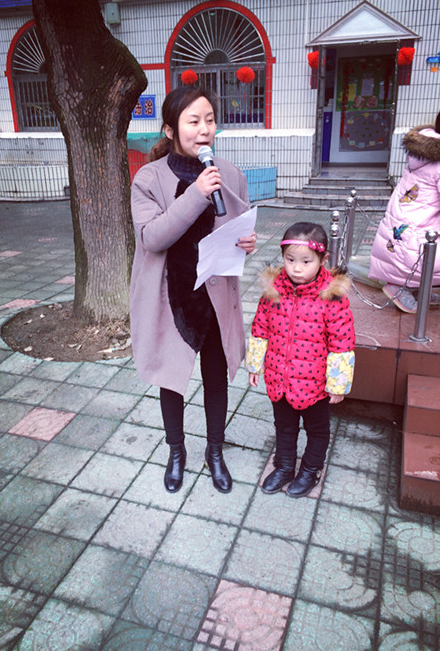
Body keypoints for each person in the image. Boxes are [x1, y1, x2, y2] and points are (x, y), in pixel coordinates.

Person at [129, 86, 255, 494]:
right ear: (170, 130)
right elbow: (152, 238)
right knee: (171, 379)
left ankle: (215, 451)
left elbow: (235, 229)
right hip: (172, 297)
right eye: (193, 121)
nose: (204, 129)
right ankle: (176, 451)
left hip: (215, 297)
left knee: (216, 378)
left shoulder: (230, 173)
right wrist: (197, 194)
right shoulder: (149, 178)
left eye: (210, 120)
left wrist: (246, 242)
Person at [246, 222, 355, 498]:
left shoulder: (331, 297)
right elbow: (260, 327)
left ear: (322, 259)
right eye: (290, 259)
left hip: (315, 384)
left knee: (317, 429)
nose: (296, 268)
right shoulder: (273, 290)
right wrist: (255, 364)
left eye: (306, 261)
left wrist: (338, 384)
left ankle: (310, 469)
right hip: (279, 378)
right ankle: (284, 466)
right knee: (284, 426)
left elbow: (342, 342)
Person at [369, 112, 440, 313]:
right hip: (420, 223)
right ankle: (400, 287)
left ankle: (417, 288)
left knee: (410, 252)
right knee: (422, 255)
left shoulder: (422, 152)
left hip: (406, 216)